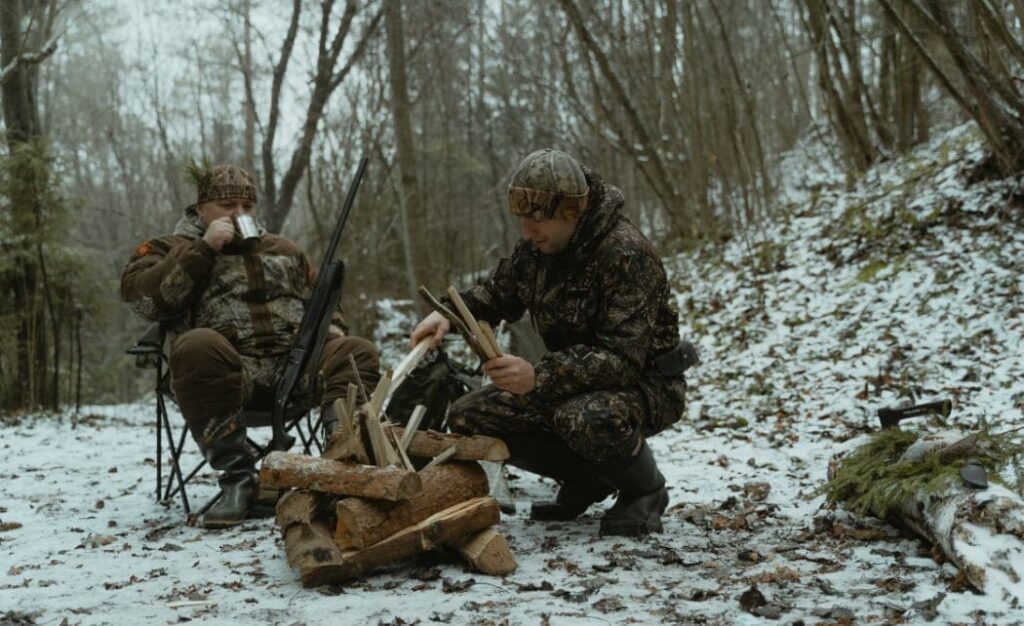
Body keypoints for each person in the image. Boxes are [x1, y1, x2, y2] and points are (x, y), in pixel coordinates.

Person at [410, 149, 693, 537]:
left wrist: (538, 377)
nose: (526, 232)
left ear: (571, 212)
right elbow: (495, 295)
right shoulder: (538, 251)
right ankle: (588, 477)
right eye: (522, 220)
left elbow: (622, 360)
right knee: (469, 415)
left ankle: (646, 490)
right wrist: (446, 315)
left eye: (537, 220)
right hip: (566, 384)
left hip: (646, 385)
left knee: (582, 417)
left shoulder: (626, 254)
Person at [121, 163, 380, 528]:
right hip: (222, 379)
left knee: (357, 351)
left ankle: (340, 471)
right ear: (201, 209)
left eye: (247, 207)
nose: (238, 214)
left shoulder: (285, 250)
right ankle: (238, 481)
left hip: (294, 376)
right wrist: (203, 248)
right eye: (227, 205)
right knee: (197, 344)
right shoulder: (167, 248)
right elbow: (144, 300)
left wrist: (333, 324)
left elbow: (324, 298)